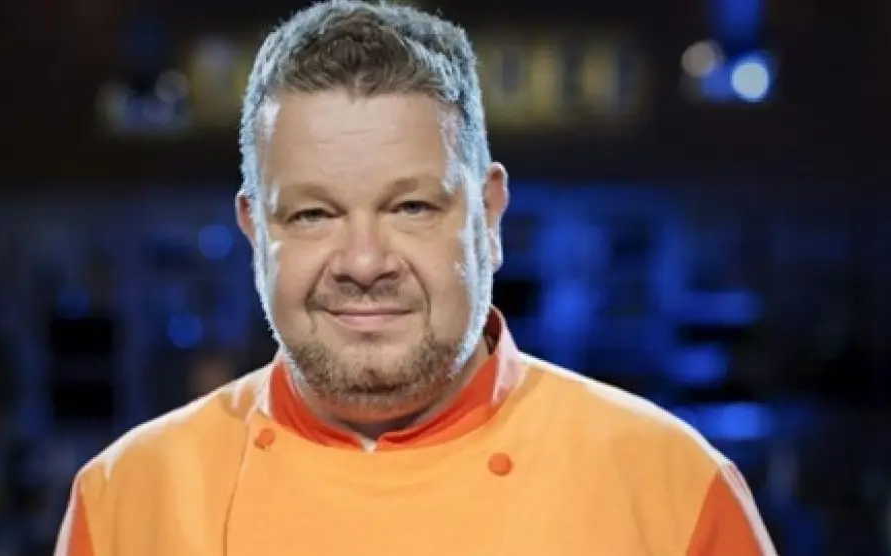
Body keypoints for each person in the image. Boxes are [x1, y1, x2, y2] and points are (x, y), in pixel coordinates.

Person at [54, 1, 777, 554]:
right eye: (313, 214)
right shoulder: (127, 500)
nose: (364, 262)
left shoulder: (672, 490)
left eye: (411, 207)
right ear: (254, 230)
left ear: (489, 216)